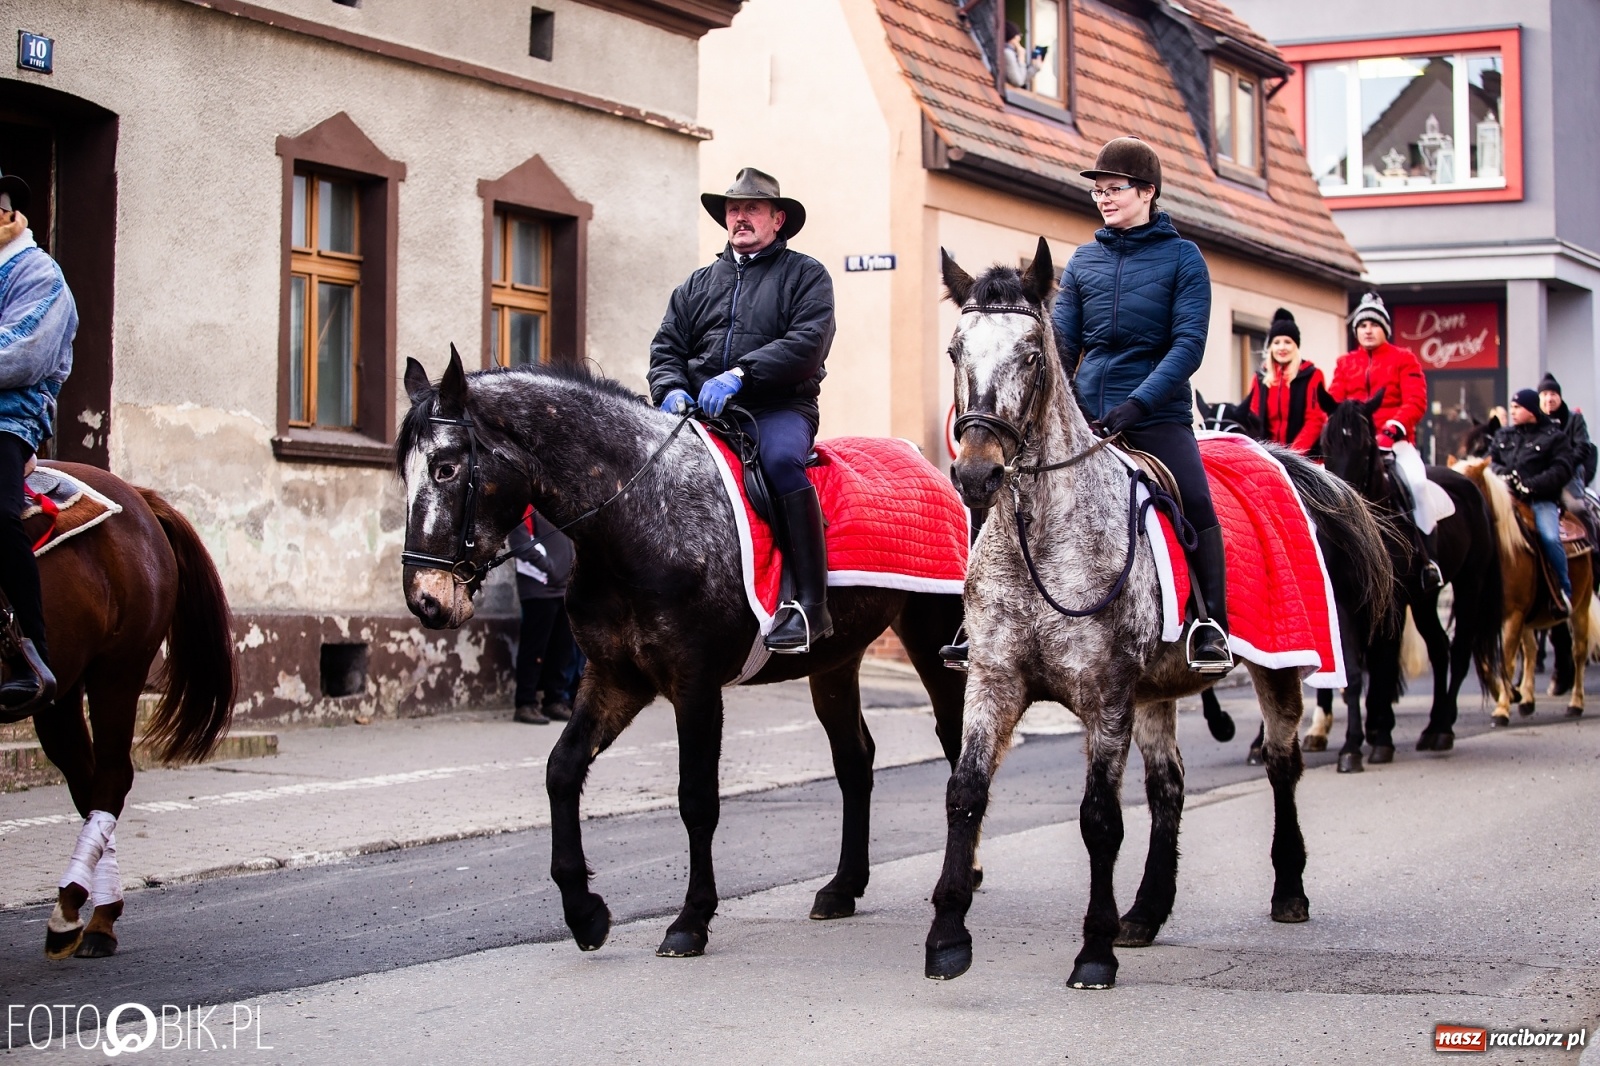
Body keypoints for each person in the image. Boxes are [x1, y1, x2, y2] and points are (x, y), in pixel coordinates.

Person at [1052, 136, 1231, 674]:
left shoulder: (1184, 259)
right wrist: (1067, 406)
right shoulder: (1083, 261)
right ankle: (981, 620)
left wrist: (1139, 403)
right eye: (1098, 192)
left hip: (1156, 413)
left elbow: (1188, 347)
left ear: (1147, 191)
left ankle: (1211, 624)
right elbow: (1061, 345)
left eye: (1114, 189)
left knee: (1196, 501)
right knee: (1012, 487)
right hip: (1086, 413)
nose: (1103, 199)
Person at [648, 168, 837, 653]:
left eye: (751, 208)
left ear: (778, 219)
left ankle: (811, 607)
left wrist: (741, 375)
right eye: (733, 209)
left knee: (779, 463)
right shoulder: (696, 284)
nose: (740, 217)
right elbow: (666, 348)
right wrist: (669, 388)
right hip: (701, 413)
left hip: (777, 408)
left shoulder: (806, 275)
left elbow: (808, 343)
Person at [0, 169, 76, 710]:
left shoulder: (40, 274)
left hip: (8, 419)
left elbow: (23, 352)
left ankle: (33, 654)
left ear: (8, 216)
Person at [1327, 291, 1448, 589]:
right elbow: (1336, 400)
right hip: (1356, 447)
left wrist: (1394, 427)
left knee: (1418, 485)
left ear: (1385, 329)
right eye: (1362, 324)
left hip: (1396, 443)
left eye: (1373, 324)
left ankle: (1427, 560)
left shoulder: (1404, 359)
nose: (1367, 329)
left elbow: (1416, 401)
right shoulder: (1345, 363)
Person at [1491, 388, 1575, 615]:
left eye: (1518, 407)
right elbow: (1491, 461)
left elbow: (1562, 468)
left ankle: (1562, 591)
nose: (1513, 411)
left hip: (1541, 501)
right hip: (1507, 501)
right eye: (1512, 407)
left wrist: (1531, 484)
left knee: (1549, 537)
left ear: (1531, 409)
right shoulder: (1503, 436)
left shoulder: (1554, 437)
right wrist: (1504, 476)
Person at [507, 506, 577, 725]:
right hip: (539, 589)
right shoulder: (526, 507)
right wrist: (550, 569)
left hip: (563, 589)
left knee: (561, 649)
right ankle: (525, 703)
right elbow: (521, 543)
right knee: (534, 648)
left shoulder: (555, 502)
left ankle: (554, 700)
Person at [1242, 308, 1327, 455]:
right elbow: (1253, 419)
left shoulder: (1312, 375)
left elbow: (1315, 421)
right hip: (1268, 456)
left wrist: (1293, 455)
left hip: (1304, 458)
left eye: (1287, 342)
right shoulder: (1260, 378)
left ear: (1296, 346)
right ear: (1270, 347)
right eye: (1276, 342)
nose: (1282, 347)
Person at [1537, 372, 1600, 546]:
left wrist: (1562, 466)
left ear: (1560, 397)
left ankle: (1593, 547)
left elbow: (1583, 447)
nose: (1549, 399)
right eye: (1544, 394)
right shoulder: (1533, 422)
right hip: (1538, 480)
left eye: (1553, 394)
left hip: (1568, 477)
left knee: (1576, 508)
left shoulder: (1575, 420)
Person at [1002, 21, 1044, 90]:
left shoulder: (1010, 53)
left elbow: (1021, 78)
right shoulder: (1008, 53)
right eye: (1019, 35)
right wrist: (1021, 59)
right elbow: (1018, 81)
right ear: (1013, 37)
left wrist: (1035, 68)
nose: (1020, 38)